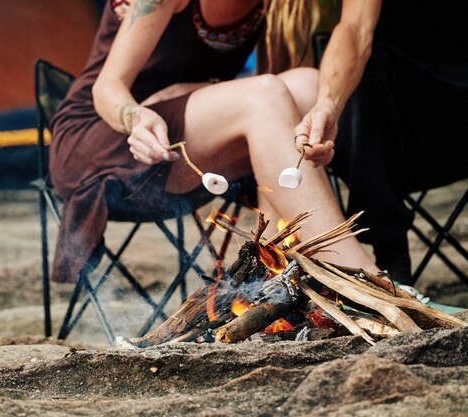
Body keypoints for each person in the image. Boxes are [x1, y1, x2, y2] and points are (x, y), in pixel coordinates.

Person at [49, 0, 383, 284]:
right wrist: (136, 117)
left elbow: (357, 31)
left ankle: (271, 280)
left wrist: (327, 106)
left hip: (191, 132)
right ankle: (357, 275)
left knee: (308, 87)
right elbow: (107, 87)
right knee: (262, 95)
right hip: (106, 138)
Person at [304, 0, 468, 286]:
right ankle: (391, 260)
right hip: (400, 126)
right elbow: (355, 30)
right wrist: (327, 105)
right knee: (366, 68)